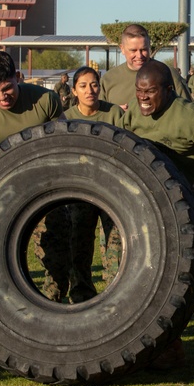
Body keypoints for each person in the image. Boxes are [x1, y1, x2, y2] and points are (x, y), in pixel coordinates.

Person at [120, 60, 194, 367]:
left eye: (150, 91)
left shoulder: (191, 117)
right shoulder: (133, 116)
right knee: (163, 273)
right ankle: (169, 341)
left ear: (169, 90)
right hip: (158, 206)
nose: (144, 98)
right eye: (139, 92)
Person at [0, 50, 65, 358]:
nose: (2, 97)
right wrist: (3, 150)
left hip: (46, 191)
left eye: (7, 89)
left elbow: (66, 144)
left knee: (54, 261)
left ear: (18, 78)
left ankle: (51, 328)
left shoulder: (45, 101)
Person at [60, 66, 124, 301]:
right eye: (84, 86)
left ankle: (116, 296)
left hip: (112, 190)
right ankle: (81, 296)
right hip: (80, 192)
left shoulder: (114, 114)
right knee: (79, 245)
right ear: (74, 90)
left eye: (94, 85)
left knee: (115, 245)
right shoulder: (66, 118)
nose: (90, 90)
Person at [99, 24, 191, 108]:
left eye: (143, 50)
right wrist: (115, 112)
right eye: (133, 50)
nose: (139, 56)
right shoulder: (108, 80)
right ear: (122, 49)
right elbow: (99, 116)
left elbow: (189, 111)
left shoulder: (168, 74)